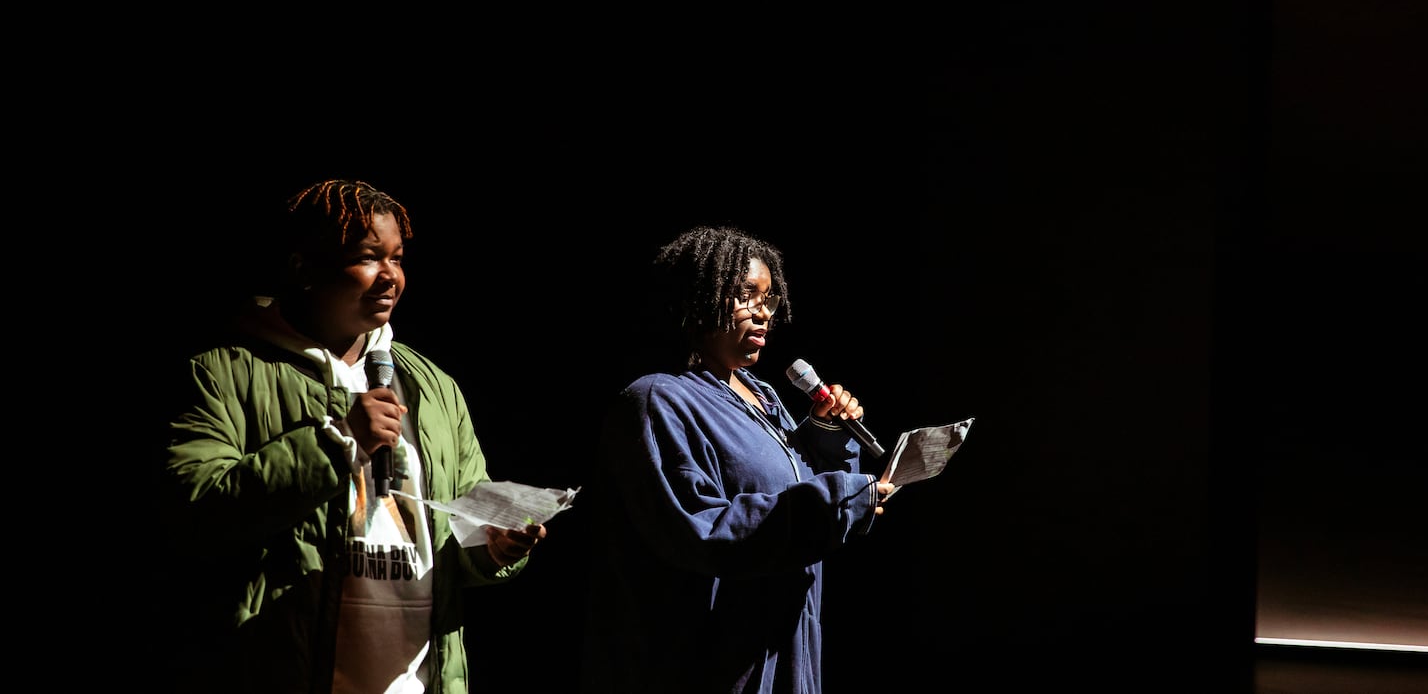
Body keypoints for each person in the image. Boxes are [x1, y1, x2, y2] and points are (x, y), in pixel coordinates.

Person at [158, 178, 546, 694]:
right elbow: (193, 509)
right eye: (369, 257)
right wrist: (339, 440)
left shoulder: (434, 387)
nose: (390, 277)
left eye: (398, 258)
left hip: (419, 678)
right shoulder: (225, 373)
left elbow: (459, 526)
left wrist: (493, 544)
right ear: (304, 268)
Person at [580, 224, 895, 694]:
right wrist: (835, 502)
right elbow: (702, 529)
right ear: (698, 299)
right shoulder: (657, 400)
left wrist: (826, 436)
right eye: (747, 296)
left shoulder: (763, 397)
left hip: (786, 649)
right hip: (711, 663)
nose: (764, 314)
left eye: (769, 300)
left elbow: (791, 483)